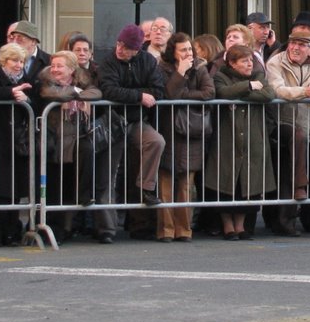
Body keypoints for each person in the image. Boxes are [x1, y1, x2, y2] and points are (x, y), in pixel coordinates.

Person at [266, 26, 310, 236]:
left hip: (306, 124)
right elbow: (277, 89)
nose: (295, 48)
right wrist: (304, 92)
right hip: (279, 122)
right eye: (293, 43)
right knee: (295, 146)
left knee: (290, 169)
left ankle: (287, 222)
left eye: (301, 45)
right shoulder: (275, 61)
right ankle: (300, 186)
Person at [205, 44, 276, 239]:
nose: (249, 64)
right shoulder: (220, 75)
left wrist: (242, 93)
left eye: (251, 60)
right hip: (227, 136)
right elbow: (223, 93)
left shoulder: (258, 75)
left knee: (249, 183)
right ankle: (227, 226)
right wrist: (248, 86)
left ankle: (241, 225)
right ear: (232, 63)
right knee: (226, 183)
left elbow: (268, 95)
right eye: (245, 61)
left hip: (252, 136)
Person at [38, 50, 108, 242]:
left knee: (70, 183)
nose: (55, 69)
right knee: (54, 189)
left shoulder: (83, 81)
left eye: (60, 66)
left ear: (71, 69)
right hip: (54, 140)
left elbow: (96, 92)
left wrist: (78, 94)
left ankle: (76, 212)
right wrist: (76, 95)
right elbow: (51, 94)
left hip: (75, 139)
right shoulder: (46, 82)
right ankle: (51, 230)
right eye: (53, 66)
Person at [97, 24, 167, 207]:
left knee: (156, 141)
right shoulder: (108, 61)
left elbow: (158, 90)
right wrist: (139, 96)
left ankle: (147, 187)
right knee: (111, 169)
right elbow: (109, 91)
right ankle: (106, 223)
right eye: (119, 44)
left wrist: (129, 94)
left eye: (126, 47)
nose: (120, 49)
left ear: (136, 49)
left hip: (136, 120)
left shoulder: (148, 61)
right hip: (112, 121)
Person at [157, 32, 215, 242]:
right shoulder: (162, 68)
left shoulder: (200, 67)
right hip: (168, 128)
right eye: (183, 49)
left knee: (185, 184)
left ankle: (184, 229)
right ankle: (166, 229)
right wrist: (180, 74)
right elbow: (167, 94)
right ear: (173, 51)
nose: (188, 53)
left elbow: (209, 93)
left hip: (191, 131)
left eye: (189, 49)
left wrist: (183, 96)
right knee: (165, 181)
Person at [0, 43, 35, 247]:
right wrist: (11, 92)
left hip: (17, 139)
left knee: (15, 189)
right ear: (4, 61)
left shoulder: (26, 80)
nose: (18, 65)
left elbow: (35, 101)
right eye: (14, 61)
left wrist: (26, 98)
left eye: (21, 61)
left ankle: (12, 232)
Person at [7, 21, 51, 88]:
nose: (14, 42)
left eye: (19, 38)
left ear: (33, 41)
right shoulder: (4, 60)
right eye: (13, 37)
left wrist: (27, 98)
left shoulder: (49, 61)